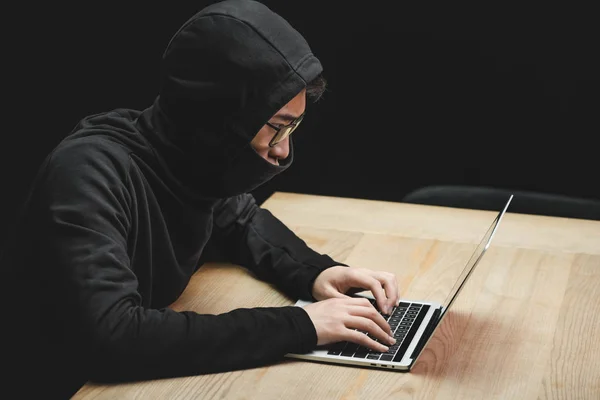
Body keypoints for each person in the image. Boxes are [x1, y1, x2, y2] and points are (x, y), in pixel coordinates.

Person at [2, 1, 400, 397]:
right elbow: (113, 336)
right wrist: (302, 325)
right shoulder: (87, 173)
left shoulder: (188, 160)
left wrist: (314, 272)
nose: (282, 151)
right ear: (219, 118)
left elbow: (240, 220)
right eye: (276, 128)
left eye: (293, 126)